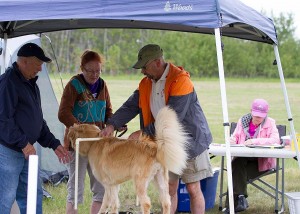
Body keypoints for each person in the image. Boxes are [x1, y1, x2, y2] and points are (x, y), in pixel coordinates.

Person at [100, 44, 213, 214]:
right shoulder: (146, 83)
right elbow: (131, 106)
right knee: (170, 188)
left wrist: (143, 133)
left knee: (193, 188)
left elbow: (173, 116)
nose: (142, 71)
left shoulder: (181, 80)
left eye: (144, 67)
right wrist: (112, 124)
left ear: (158, 62)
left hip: (191, 141)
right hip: (165, 143)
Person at [0, 42, 70, 214]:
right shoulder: (8, 82)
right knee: (5, 197)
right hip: (10, 151)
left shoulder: (31, 83)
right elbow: (3, 120)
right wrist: (23, 143)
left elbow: (37, 120)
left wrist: (54, 144)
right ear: (24, 62)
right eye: (38, 64)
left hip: (27, 151)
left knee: (33, 195)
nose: (40, 69)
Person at [58, 50, 113, 214]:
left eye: (98, 70)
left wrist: (112, 124)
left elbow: (108, 111)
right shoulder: (74, 85)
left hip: (98, 145)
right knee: (75, 188)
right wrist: (81, 129)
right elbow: (63, 113)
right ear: (82, 68)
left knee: (101, 187)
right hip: (78, 144)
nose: (95, 74)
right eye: (90, 71)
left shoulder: (102, 84)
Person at [223, 98, 280, 213]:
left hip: (262, 164)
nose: (258, 118)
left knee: (234, 172)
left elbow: (275, 140)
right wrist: (232, 140)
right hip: (243, 161)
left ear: (266, 114)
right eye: (256, 115)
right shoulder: (242, 121)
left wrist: (255, 141)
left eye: (261, 116)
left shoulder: (271, 123)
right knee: (236, 165)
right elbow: (236, 137)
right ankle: (240, 199)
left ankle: (232, 206)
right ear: (251, 111)